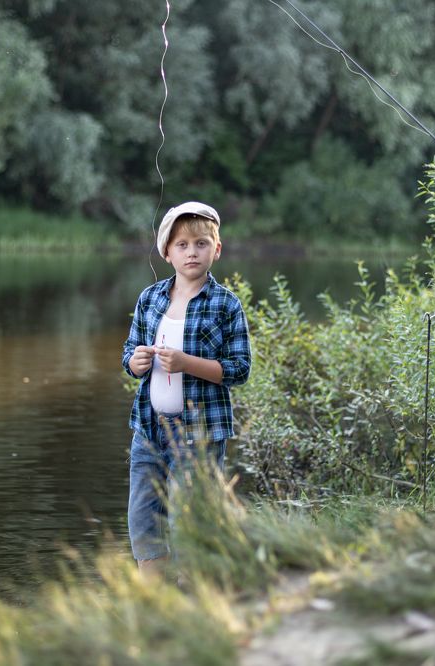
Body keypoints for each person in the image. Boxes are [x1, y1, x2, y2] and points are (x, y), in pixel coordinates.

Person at [122, 201, 251, 577]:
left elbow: (239, 369)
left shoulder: (225, 304)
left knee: (189, 520)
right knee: (144, 520)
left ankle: (196, 594)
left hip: (200, 433)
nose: (191, 252)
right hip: (149, 431)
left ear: (217, 249)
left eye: (200, 243)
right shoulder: (150, 298)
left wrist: (186, 364)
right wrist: (136, 363)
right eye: (182, 245)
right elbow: (129, 353)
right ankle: (155, 600)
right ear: (167, 252)